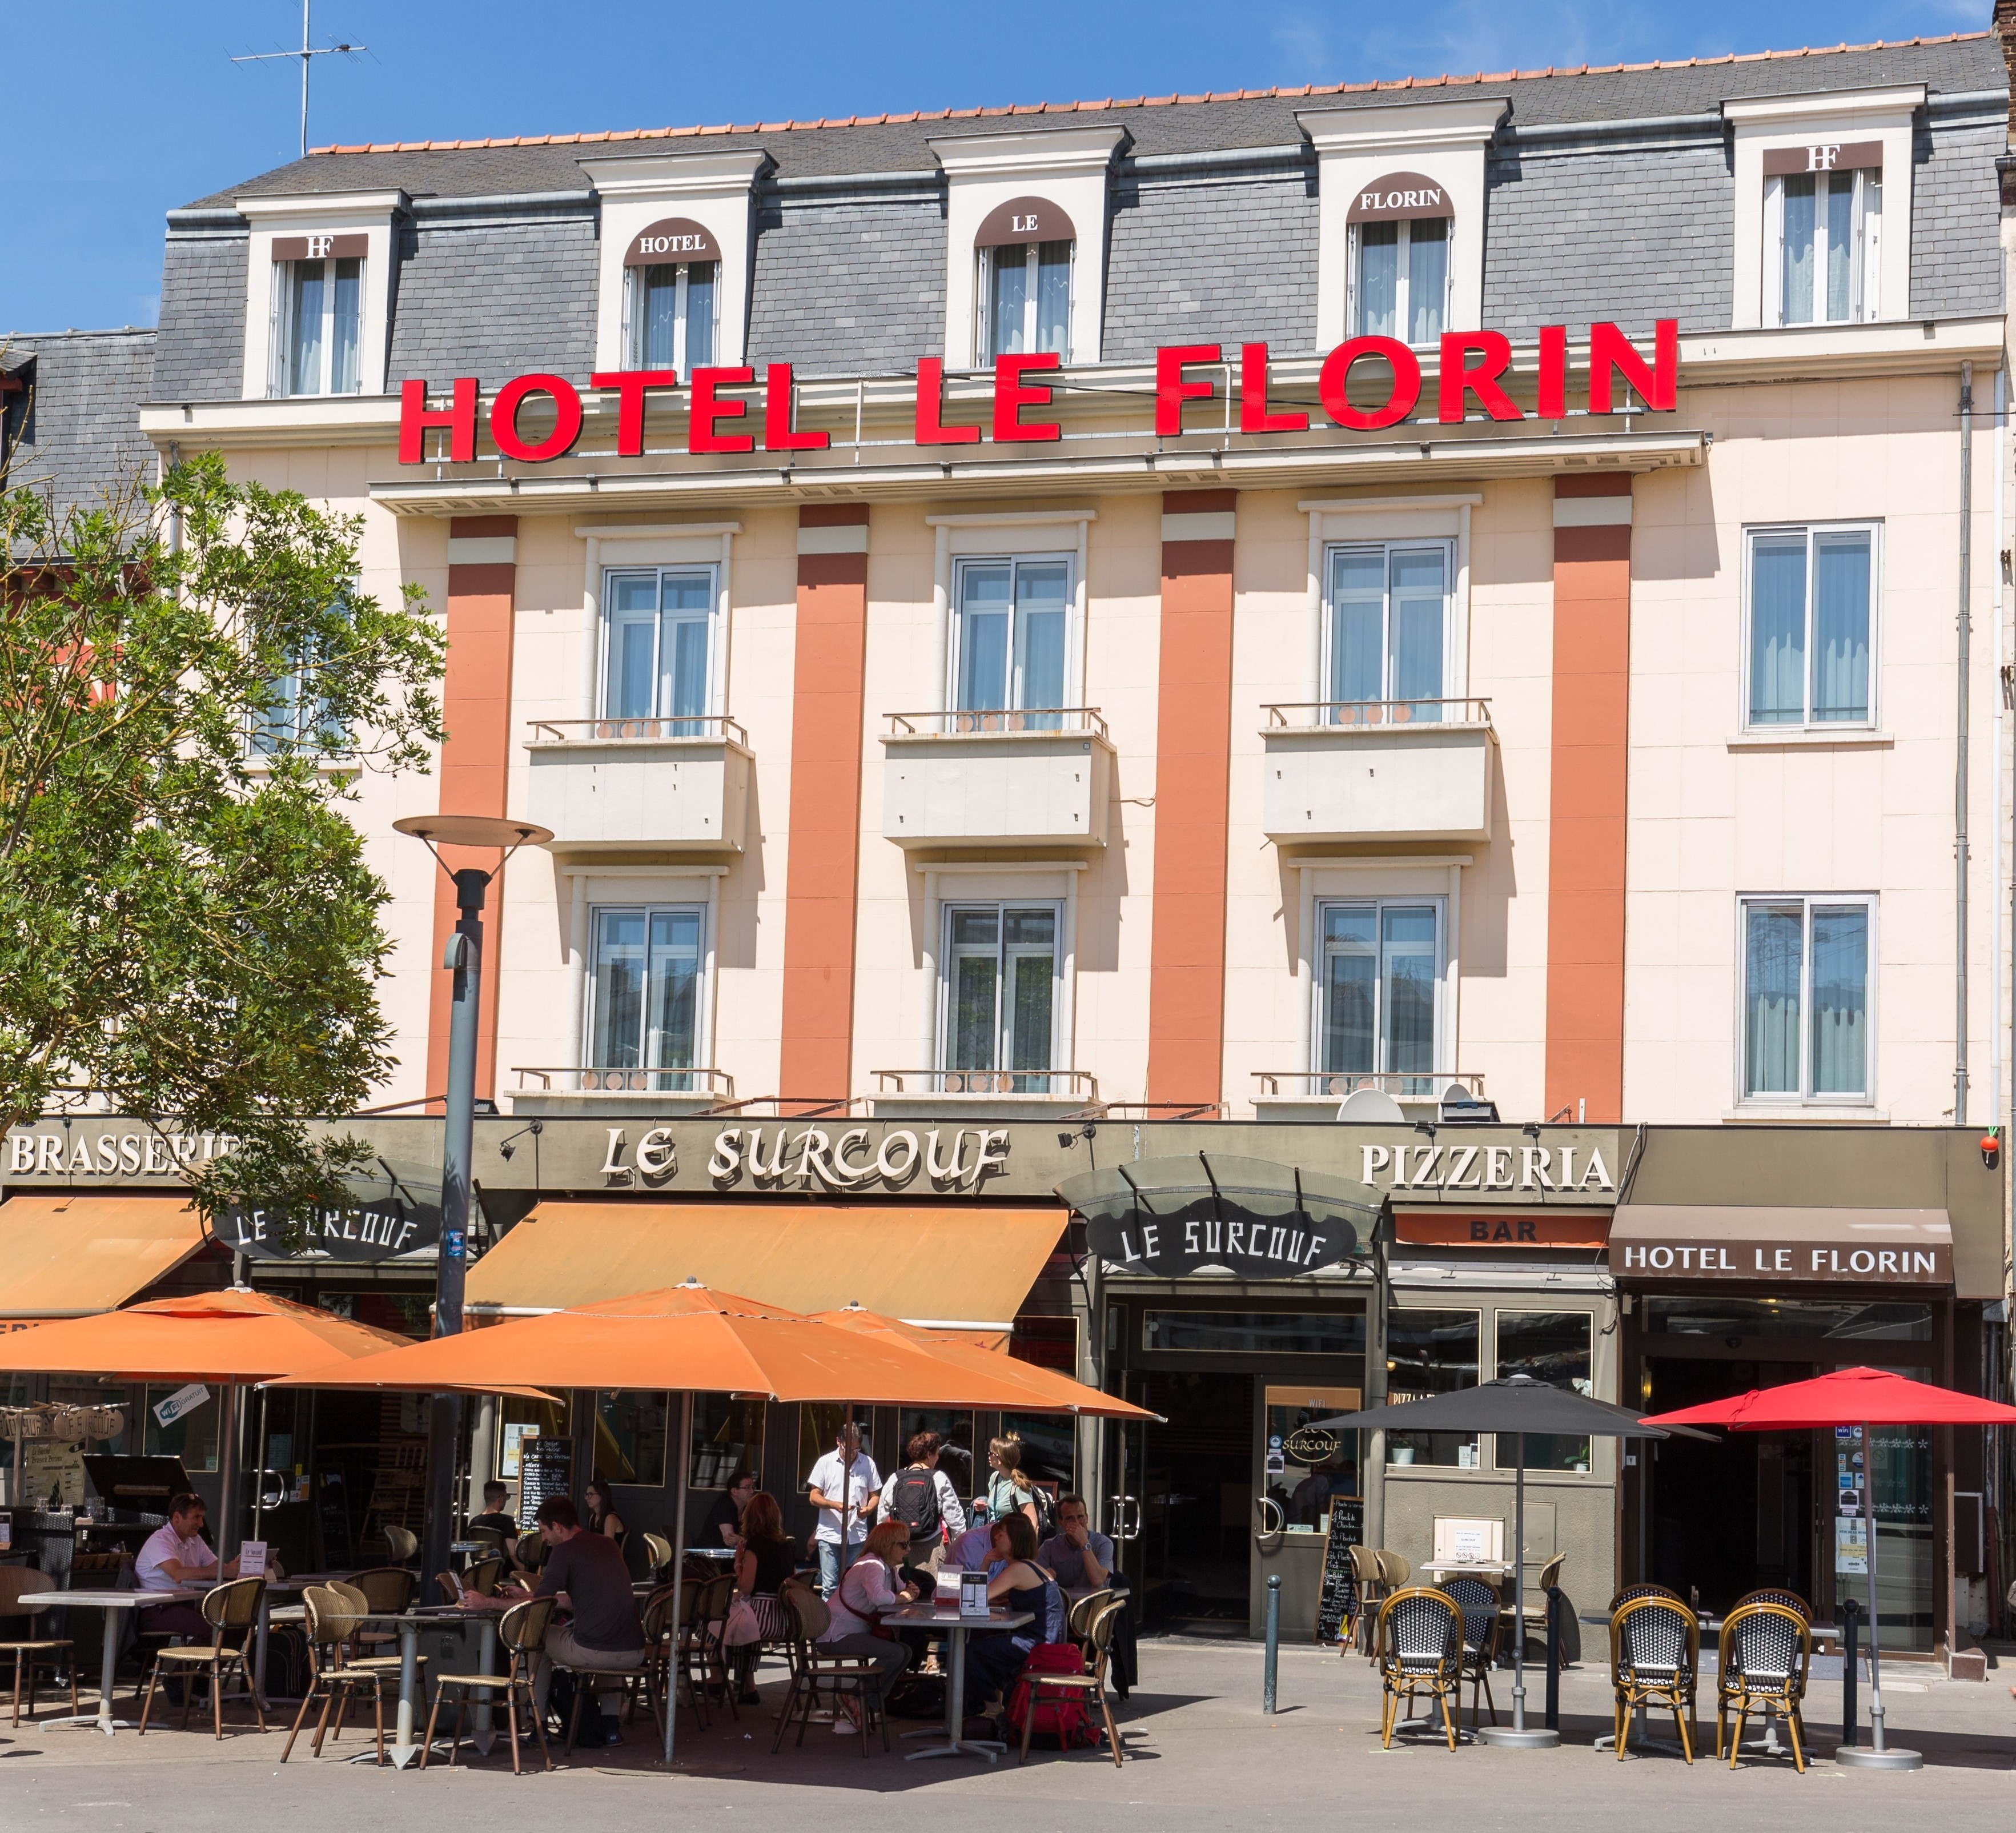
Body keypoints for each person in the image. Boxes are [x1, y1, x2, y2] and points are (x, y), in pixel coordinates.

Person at [464, 1495, 642, 1748]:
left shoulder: (563, 1550)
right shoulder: (608, 1545)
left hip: (595, 1652)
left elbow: (540, 1605)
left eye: (544, 1531)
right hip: (634, 1652)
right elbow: (569, 1599)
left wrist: (487, 1602)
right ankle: (612, 1729)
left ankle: (540, 1726)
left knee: (537, 1638)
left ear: (557, 1526)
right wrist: (528, 1594)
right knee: (608, 1637)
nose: (544, 1539)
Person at [962, 1514, 1057, 1736]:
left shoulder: (1018, 1570)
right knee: (988, 1649)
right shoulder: (1031, 1567)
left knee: (972, 1652)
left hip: (1038, 1645)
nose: (996, 1536)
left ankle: (993, 1710)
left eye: (1002, 1533)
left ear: (1014, 1539)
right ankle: (994, 1708)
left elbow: (975, 1597)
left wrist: (986, 1561)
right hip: (1047, 1640)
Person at [819, 1518, 915, 1731]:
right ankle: (857, 1698)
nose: (908, 1549)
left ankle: (863, 1701)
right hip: (837, 1635)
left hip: (850, 1633)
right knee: (896, 1654)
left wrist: (908, 1593)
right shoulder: (873, 1565)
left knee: (905, 1652)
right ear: (888, 1545)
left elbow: (900, 1592)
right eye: (904, 1545)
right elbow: (880, 1598)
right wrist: (902, 1598)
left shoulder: (887, 1567)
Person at [135, 1492, 239, 1641]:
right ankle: (188, 1664)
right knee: (213, 1631)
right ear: (177, 1517)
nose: (201, 1524)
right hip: (158, 1609)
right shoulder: (160, 1540)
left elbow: (219, 1568)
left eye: (202, 1518)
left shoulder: (195, 1540)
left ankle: (201, 1664)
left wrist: (244, 1565)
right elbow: (179, 1574)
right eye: (196, 1517)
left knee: (236, 1626)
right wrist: (225, 1571)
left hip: (184, 1606)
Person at [728, 1489, 798, 1704]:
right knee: (744, 1620)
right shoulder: (787, 1545)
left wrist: (739, 1562)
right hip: (786, 1617)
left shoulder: (755, 1546)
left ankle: (717, 1677)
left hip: (764, 1617)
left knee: (715, 1621)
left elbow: (746, 1587)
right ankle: (748, 1686)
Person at [805, 1421, 880, 1597]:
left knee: (852, 1586)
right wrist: (834, 1505)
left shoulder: (868, 1463)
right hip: (830, 1533)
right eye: (849, 1449)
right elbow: (813, 1496)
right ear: (839, 1442)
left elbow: (875, 1495)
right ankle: (829, 1624)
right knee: (830, 1587)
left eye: (857, 1449)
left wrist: (868, 1510)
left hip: (857, 1535)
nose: (852, 1454)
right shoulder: (825, 1462)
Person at [878, 1431, 966, 1571]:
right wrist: (961, 1546)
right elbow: (955, 1517)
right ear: (929, 1455)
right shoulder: (939, 1478)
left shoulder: (895, 1479)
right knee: (933, 1590)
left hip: (900, 1548)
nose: (938, 1458)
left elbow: (882, 1518)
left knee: (904, 1589)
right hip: (933, 1548)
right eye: (937, 1453)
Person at [1037, 1494, 1113, 1591]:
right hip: (1063, 1603)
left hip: (1094, 1603)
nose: (1076, 1522)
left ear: (1087, 1518)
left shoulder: (1104, 1543)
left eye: (1080, 1517)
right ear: (1061, 1523)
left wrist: (1084, 1542)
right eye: (1070, 1518)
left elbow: (1097, 1581)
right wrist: (1042, 1575)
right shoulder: (1049, 1546)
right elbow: (1033, 1576)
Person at [984, 1435, 1039, 1529]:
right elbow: (994, 1507)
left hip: (1012, 1538)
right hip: (993, 1534)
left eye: (991, 1453)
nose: (988, 1455)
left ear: (1000, 1460)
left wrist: (1028, 1543)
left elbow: (1033, 1525)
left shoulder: (1019, 1486)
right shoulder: (995, 1478)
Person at [704, 1470, 759, 1549]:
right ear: (734, 1491)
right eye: (748, 1488)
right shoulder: (724, 1505)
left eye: (753, 1487)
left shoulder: (750, 1508)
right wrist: (745, 1541)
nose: (752, 1491)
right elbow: (730, 1540)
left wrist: (744, 1541)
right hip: (712, 1556)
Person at [467, 1481, 520, 1556]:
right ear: (501, 1498)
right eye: (506, 1497)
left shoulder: (474, 1523)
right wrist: (524, 1568)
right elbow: (513, 1554)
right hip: (504, 1566)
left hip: (481, 1566)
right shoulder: (507, 1522)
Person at [582, 1478, 628, 1549]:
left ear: (602, 1495)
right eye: (586, 1494)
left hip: (610, 1558)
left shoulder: (610, 1518)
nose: (587, 1498)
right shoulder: (593, 1517)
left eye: (591, 1494)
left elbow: (606, 1547)